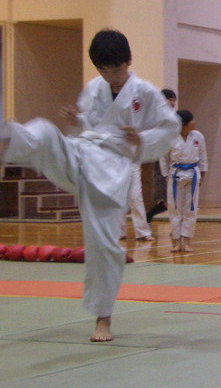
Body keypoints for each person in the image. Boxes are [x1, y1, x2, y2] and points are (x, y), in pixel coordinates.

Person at [0, 29, 180, 342]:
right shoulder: (95, 87)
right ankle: (5, 140)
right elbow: (92, 125)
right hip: (82, 153)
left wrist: (143, 139)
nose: (110, 77)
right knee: (44, 132)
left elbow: (169, 128)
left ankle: (103, 319)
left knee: (104, 247)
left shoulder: (146, 92)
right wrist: (78, 119)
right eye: (103, 70)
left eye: (116, 70)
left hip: (112, 171)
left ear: (129, 61)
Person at [160, 110, 208, 253]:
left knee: (191, 209)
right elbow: (163, 158)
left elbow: (203, 157)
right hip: (175, 174)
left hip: (193, 174)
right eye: (191, 121)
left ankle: (186, 241)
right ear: (183, 124)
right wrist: (165, 176)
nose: (194, 123)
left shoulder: (198, 136)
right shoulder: (169, 137)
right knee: (175, 209)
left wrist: (202, 177)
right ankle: (176, 241)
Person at [146, 88, 177, 223]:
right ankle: (149, 216)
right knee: (166, 198)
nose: (173, 104)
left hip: (172, 157)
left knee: (171, 198)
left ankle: (150, 216)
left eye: (174, 101)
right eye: (170, 101)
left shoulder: (173, 118)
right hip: (161, 158)